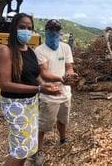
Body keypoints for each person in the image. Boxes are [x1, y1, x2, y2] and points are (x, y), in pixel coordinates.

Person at [0, 13, 61, 166]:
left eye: (29, 28)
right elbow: (5, 84)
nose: (26, 31)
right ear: (14, 28)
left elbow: (35, 76)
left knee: (28, 147)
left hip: (31, 104)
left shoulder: (30, 51)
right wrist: (39, 88)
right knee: (20, 150)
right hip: (15, 105)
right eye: (22, 27)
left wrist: (45, 85)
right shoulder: (6, 51)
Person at [34, 19, 78, 164]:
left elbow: (69, 67)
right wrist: (61, 78)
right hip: (49, 94)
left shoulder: (65, 47)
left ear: (60, 33)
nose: (54, 33)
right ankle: (38, 151)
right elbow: (44, 73)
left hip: (65, 92)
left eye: (56, 31)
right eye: (51, 30)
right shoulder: (39, 50)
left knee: (63, 119)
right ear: (46, 32)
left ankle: (63, 138)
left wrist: (70, 74)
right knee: (44, 125)